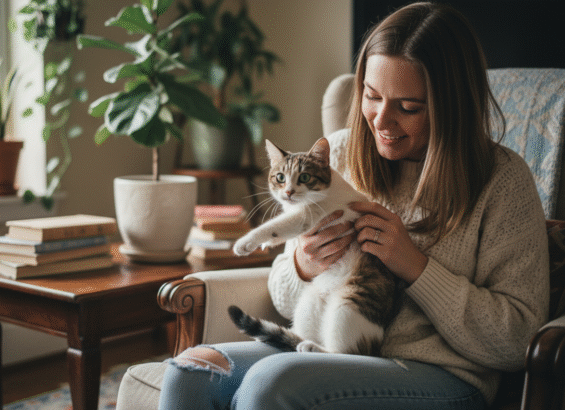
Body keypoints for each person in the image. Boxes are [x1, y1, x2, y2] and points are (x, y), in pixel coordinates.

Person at [158, 2, 550, 409]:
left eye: (408, 107)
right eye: (372, 95)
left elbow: (518, 338)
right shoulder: (339, 155)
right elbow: (284, 295)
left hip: (442, 374)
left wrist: (415, 267)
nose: (381, 119)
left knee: (272, 383)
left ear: (451, 105)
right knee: (191, 373)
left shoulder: (501, 179)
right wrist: (303, 265)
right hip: (328, 346)